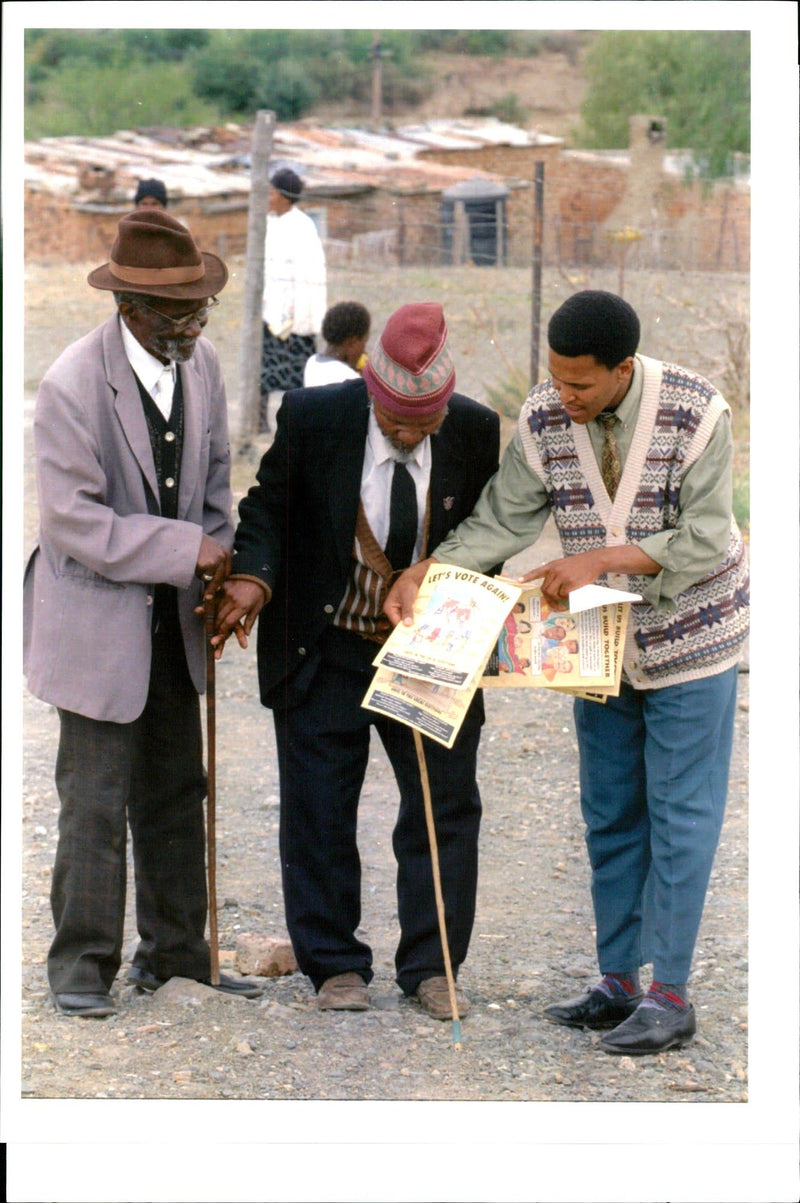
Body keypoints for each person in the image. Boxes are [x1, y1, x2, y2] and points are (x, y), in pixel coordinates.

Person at [385, 290, 749, 1055]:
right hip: (599, 642)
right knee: (610, 809)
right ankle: (618, 981)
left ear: (623, 369)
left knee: (681, 817)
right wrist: (434, 569)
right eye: (554, 377)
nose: (563, 394)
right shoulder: (547, 418)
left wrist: (603, 558)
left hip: (692, 638)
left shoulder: (698, 412)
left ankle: (672, 993)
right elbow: (504, 514)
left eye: (580, 383)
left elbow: (709, 536)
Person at [213, 303, 500, 1019]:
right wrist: (254, 576)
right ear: (371, 392)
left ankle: (434, 967)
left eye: (422, 425)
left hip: (428, 647)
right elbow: (266, 509)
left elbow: (490, 536)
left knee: (443, 805)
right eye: (396, 422)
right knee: (318, 807)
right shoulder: (315, 418)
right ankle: (335, 964)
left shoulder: (473, 429)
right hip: (327, 641)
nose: (408, 435)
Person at [23, 209, 262, 1017]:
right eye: (176, 314)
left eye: (200, 309)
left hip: (174, 622)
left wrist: (224, 570)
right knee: (94, 799)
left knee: (175, 790)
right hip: (94, 623)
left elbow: (215, 488)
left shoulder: (203, 367)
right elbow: (74, 523)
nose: (193, 324)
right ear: (129, 308)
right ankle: (81, 965)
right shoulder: (70, 385)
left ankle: (176, 957)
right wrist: (181, 548)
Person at [260, 166, 327, 431]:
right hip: (270, 309)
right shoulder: (270, 223)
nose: (268, 198)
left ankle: (297, 422)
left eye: (272, 193)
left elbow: (308, 273)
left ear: (285, 196)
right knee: (263, 366)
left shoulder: (302, 226)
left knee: (298, 371)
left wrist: (301, 314)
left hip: (296, 311)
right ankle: (259, 422)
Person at [303, 300, 371, 386]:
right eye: (364, 342)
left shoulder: (312, 362)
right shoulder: (351, 380)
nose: (364, 351)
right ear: (352, 343)